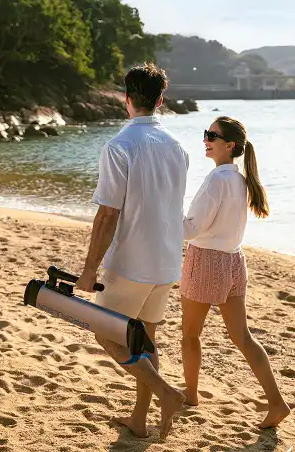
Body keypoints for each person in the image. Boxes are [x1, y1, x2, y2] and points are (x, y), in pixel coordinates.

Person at [75, 63, 188, 439]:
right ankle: (139, 420)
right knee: (145, 340)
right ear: (160, 100)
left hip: (131, 263)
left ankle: (166, 393)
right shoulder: (178, 147)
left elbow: (108, 214)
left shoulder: (120, 146)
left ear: (126, 98)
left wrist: (89, 268)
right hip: (167, 261)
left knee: (105, 333)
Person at [179, 116, 291, 429]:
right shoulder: (240, 180)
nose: (205, 140)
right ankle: (277, 402)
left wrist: (163, 219)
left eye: (211, 135)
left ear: (229, 145)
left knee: (190, 334)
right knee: (242, 337)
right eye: (205, 133)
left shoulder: (217, 180)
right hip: (233, 261)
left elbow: (192, 229)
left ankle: (191, 395)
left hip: (206, 261)